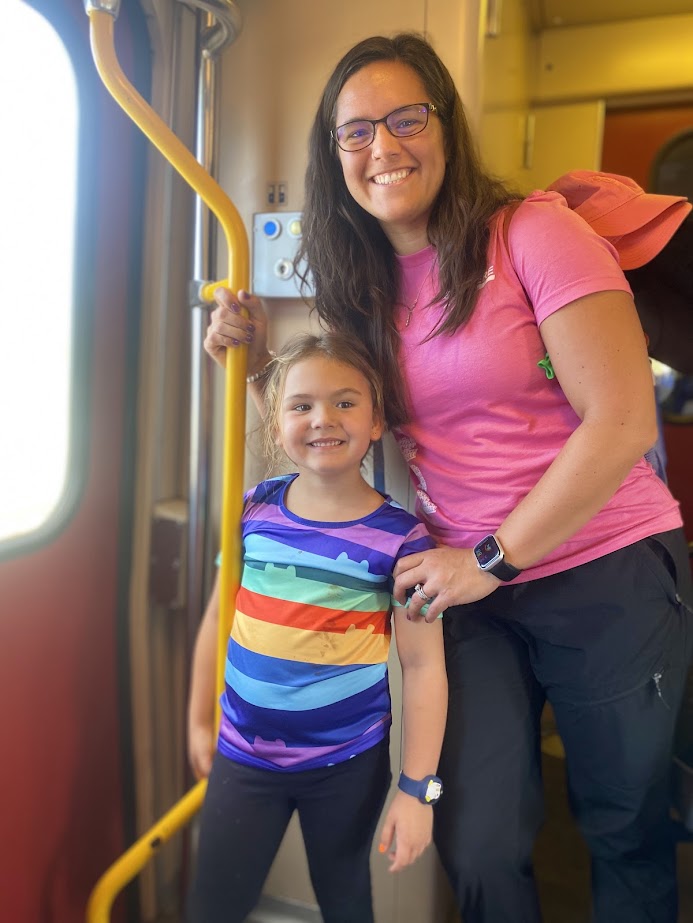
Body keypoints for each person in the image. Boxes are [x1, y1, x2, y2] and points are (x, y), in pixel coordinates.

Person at [203, 33, 693, 923]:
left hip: (604, 566)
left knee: (622, 826)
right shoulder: (358, 282)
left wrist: (490, 558)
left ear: (444, 127)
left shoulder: (534, 234)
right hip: (469, 589)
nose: (382, 147)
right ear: (334, 153)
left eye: (405, 119)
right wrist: (255, 360)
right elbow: (340, 412)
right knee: (477, 842)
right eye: (356, 131)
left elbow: (621, 419)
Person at [186, 331, 447, 923]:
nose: (322, 418)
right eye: (301, 405)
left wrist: (418, 792)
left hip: (347, 763)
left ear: (376, 421)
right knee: (213, 904)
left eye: (344, 402)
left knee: (345, 898)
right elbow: (219, 616)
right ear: (278, 424)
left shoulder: (403, 539)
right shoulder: (254, 508)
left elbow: (424, 666)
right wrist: (199, 719)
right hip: (242, 752)